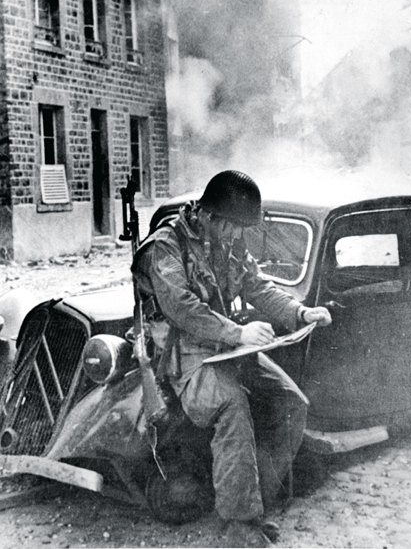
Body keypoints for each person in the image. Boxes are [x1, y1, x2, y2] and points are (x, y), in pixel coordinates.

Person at [132, 170, 331, 547]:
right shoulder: (166, 247)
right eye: (233, 227)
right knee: (231, 405)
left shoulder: (226, 243)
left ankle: (252, 507)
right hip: (185, 357)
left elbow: (257, 286)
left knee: (291, 404)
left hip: (227, 350)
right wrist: (238, 333)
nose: (238, 237)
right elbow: (181, 307)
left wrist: (300, 313)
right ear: (208, 216)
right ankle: (238, 527)